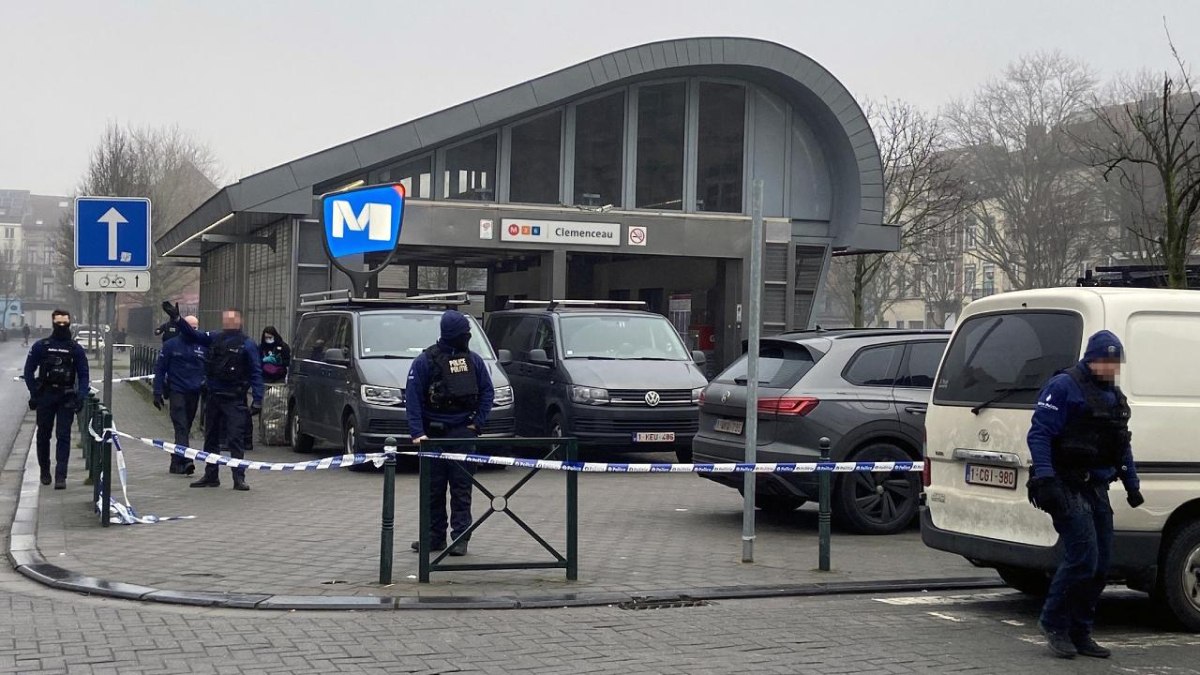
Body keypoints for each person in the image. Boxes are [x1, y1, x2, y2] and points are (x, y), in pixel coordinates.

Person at [1026, 330, 1142, 660]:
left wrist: (1133, 486)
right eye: (1105, 360)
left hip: (1095, 486)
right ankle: (1054, 624)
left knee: (1102, 563)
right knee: (1083, 556)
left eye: (1115, 361)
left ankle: (1081, 630)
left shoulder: (1114, 398)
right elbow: (1040, 435)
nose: (1110, 367)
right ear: (1092, 359)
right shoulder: (1064, 387)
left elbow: (1122, 446)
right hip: (1064, 483)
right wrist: (1046, 479)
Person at [406, 310, 494, 557]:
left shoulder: (474, 360)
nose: (466, 337)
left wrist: (478, 424)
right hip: (432, 437)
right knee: (433, 490)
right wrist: (417, 432)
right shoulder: (425, 361)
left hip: (462, 434)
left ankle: (461, 538)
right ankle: (434, 538)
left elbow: (488, 392)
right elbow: (412, 398)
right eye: (463, 333)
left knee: (461, 489)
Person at [164, 302, 263, 491]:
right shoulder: (215, 337)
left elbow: (256, 372)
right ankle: (211, 475)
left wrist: (258, 399)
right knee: (210, 438)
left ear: (240, 321)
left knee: (235, 439)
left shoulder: (247, 344)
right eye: (227, 318)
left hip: (234, 398)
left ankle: (238, 478)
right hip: (214, 397)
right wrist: (178, 320)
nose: (229, 321)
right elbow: (194, 335)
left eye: (233, 318)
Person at [23, 310, 90, 489]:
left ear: (69, 323)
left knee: (63, 436)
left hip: (66, 396)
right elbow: (28, 371)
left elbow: (84, 374)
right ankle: (45, 471)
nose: (62, 327)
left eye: (64, 323)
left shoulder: (75, 349)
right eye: (58, 323)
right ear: (53, 323)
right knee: (43, 435)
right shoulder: (41, 346)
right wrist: (34, 392)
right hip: (45, 395)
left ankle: (61, 475)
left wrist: (81, 395)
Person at [153, 315, 206, 475]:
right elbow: (160, 369)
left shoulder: (202, 345)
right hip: (177, 391)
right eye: (190, 327)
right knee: (181, 426)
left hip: (194, 392)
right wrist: (157, 392)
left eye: (195, 327)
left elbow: (208, 367)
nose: (193, 330)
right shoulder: (171, 345)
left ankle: (176, 463)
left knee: (185, 427)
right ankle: (187, 460)